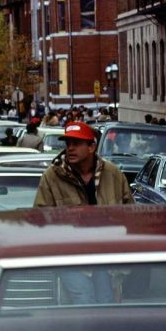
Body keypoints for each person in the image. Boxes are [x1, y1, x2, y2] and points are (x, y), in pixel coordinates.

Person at [33, 122, 133, 304]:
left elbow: (130, 214)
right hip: (71, 257)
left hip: (105, 255)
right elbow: (40, 216)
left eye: (76, 143)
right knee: (84, 302)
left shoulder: (112, 173)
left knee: (106, 303)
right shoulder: (52, 176)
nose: (70, 148)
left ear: (91, 147)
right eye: (68, 143)